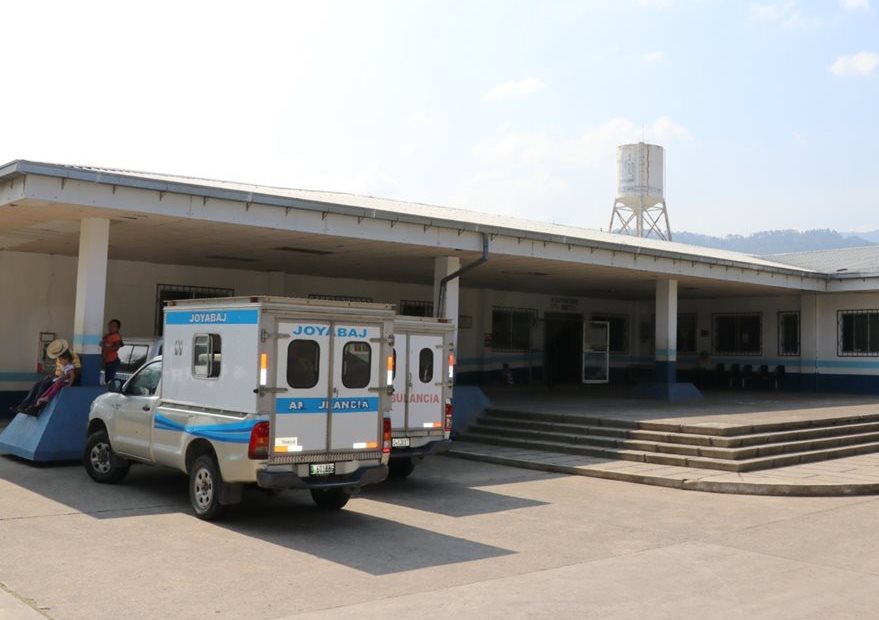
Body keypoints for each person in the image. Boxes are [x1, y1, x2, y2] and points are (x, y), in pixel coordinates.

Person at [10, 339, 81, 414]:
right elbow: (58, 369)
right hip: (57, 376)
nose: (58, 359)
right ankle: (23, 406)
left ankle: (34, 407)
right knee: (36, 385)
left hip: (65, 378)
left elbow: (77, 371)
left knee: (43, 386)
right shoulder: (59, 357)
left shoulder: (72, 355)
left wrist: (66, 377)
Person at [101, 319, 124, 384]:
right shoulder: (107, 336)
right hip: (107, 361)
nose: (111, 328)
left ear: (118, 328)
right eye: (110, 325)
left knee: (110, 380)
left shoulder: (116, 336)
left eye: (114, 326)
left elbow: (116, 347)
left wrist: (106, 348)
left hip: (112, 361)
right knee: (107, 380)